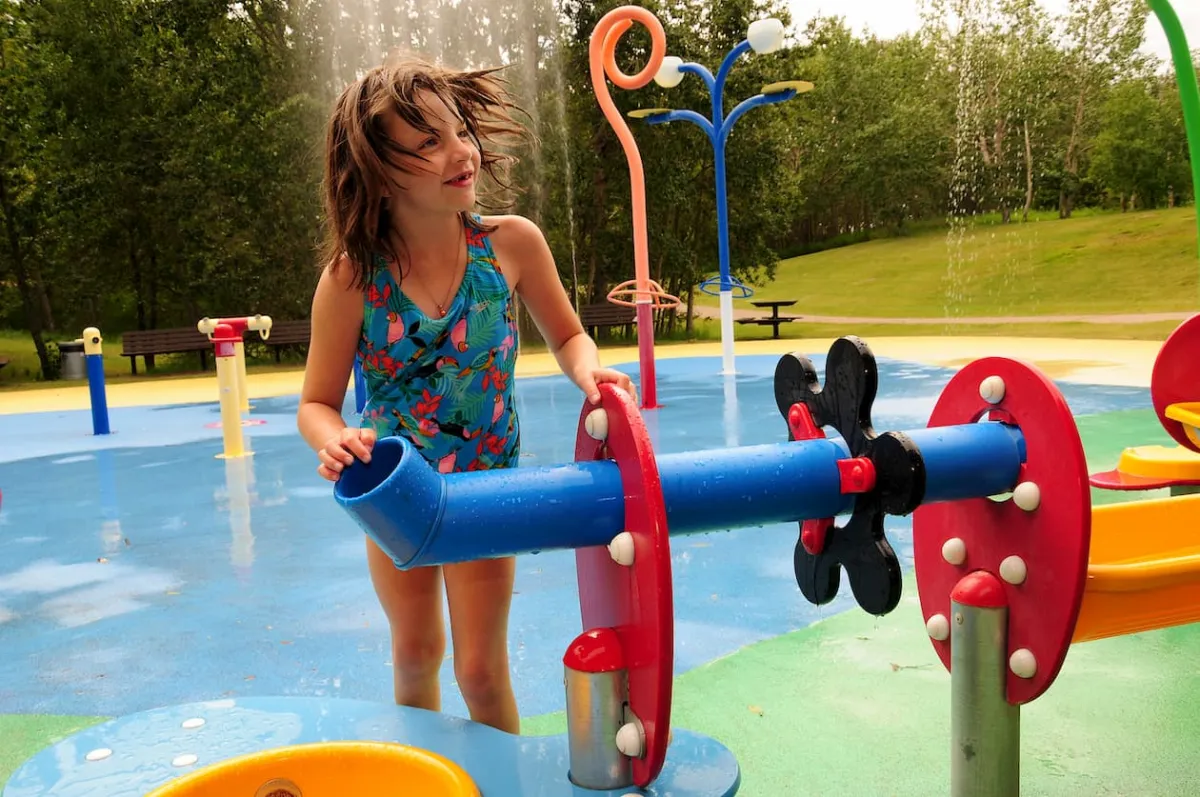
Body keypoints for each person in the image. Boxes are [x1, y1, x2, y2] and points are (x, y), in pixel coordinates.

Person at [296, 55, 636, 735]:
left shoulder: (510, 245)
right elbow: (316, 402)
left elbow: (569, 337)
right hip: (396, 493)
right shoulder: (352, 279)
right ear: (378, 172)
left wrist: (590, 371)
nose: (461, 153)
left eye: (459, 132)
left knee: (481, 670)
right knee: (416, 656)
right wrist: (334, 439)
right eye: (428, 143)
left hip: (487, 488)